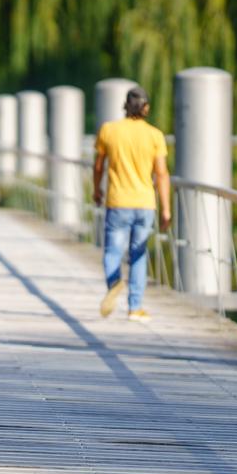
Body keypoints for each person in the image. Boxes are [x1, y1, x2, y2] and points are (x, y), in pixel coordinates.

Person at [92, 86, 172, 322]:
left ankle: (114, 283)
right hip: (145, 203)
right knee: (138, 254)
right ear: (146, 107)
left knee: (112, 251)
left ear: (125, 106)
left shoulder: (109, 130)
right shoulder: (155, 135)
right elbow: (162, 174)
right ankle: (135, 307)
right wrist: (166, 209)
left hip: (117, 201)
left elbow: (98, 166)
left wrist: (97, 190)